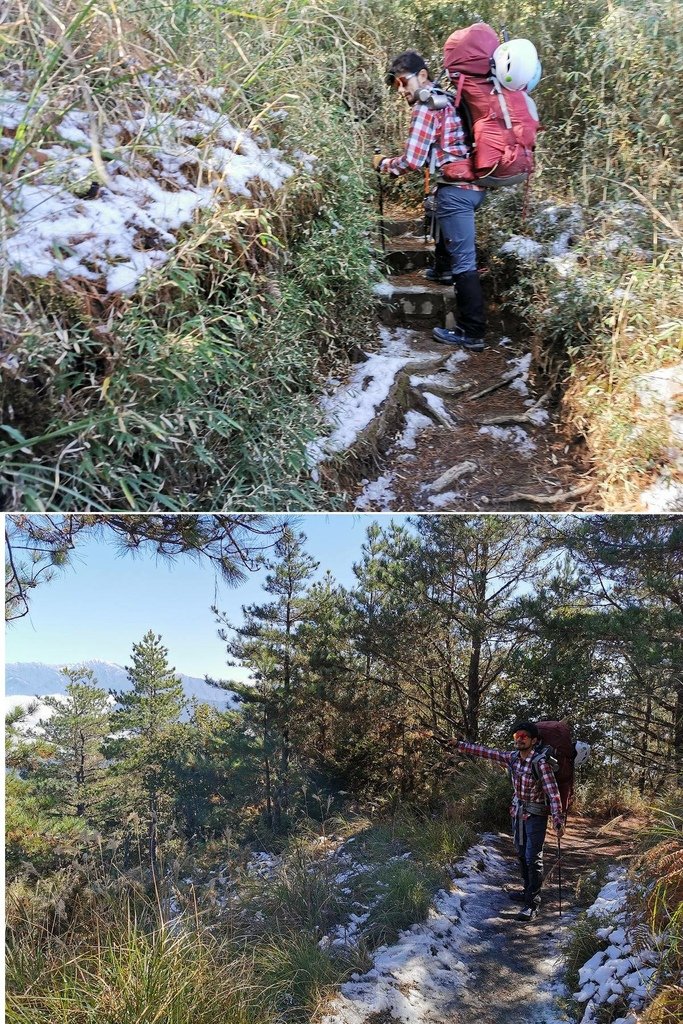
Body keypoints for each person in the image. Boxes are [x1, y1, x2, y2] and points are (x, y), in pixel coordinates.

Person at [374, 50, 487, 352]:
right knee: (440, 208)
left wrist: (383, 163)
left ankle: (472, 331)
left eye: (403, 82)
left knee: (465, 261)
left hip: (458, 191)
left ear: (422, 76)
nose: (401, 90)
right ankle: (441, 268)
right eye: (396, 84)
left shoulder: (427, 106)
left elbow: (412, 160)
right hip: (471, 187)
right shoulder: (448, 99)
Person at [451, 720, 565, 921]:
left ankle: (532, 904)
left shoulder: (540, 763)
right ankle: (526, 891)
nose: (519, 740)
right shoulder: (512, 758)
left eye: (524, 736)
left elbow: (553, 793)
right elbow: (486, 752)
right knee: (521, 854)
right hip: (518, 812)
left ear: (534, 740)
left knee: (532, 857)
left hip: (536, 815)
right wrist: (459, 745)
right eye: (516, 736)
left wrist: (557, 818)